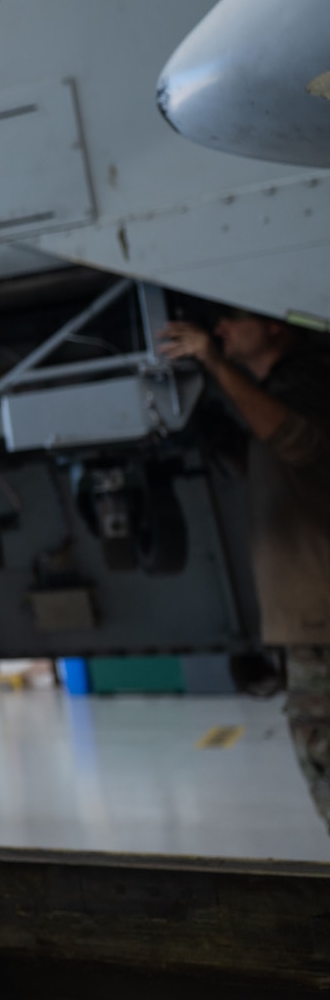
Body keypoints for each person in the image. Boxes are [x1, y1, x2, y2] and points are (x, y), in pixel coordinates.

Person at [159, 308, 330, 830]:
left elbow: (298, 441)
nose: (220, 329)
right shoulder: (278, 394)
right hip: (310, 621)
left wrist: (213, 362)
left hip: (321, 623)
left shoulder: (307, 386)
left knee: (320, 747)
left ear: (277, 323)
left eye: (232, 317)